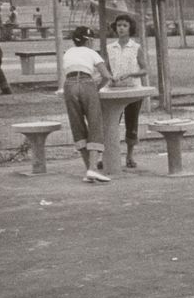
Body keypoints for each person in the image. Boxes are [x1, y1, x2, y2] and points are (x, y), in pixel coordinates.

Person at [61, 26, 114, 184]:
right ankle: (93, 168)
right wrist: (95, 89)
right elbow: (106, 76)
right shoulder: (92, 52)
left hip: (69, 85)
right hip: (86, 83)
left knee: (77, 126)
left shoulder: (68, 52)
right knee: (95, 124)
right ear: (89, 40)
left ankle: (89, 169)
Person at [105, 13, 149, 169]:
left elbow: (144, 70)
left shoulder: (136, 47)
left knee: (132, 122)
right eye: (118, 25)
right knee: (111, 123)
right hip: (115, 91)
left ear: (130, 28)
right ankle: (108, 156)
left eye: (124, 25)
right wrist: (109, 78)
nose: (121, 28)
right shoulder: (110, 48)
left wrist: (130, 74)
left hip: (133, 90)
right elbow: (106, 69)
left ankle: (130, 156)